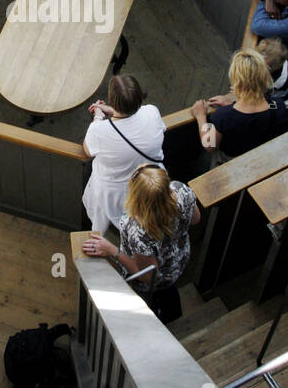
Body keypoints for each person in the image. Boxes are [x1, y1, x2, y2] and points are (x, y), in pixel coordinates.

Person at [82, 165, 200, 322]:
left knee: (147, 306)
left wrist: (111, 250)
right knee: (169, 295)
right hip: (179, 260)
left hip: (154, 283)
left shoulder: (136, 228)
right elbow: (196, 219)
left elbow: (148, 277)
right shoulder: (181, 190)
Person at [82, 74, 166, 233]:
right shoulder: (152, 113)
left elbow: (87, 149)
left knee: (99, 226)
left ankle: (99, 241)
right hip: (151, 183)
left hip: (113, 193)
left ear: (112, 100)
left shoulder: (99, 131)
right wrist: (114, 112)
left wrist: (98, 117)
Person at [192, 49, 288, 164]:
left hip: (232, 160)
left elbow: (209, 145)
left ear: (236, 83)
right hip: (262, 155)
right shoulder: (277, 105)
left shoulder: (223, 116)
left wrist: (201, 116)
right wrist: (232, 105)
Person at [253, 38, 288, 125]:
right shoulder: (282, 61)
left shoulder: (276, 82)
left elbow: (259, 93)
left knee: (285, 123)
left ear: (270, 69)